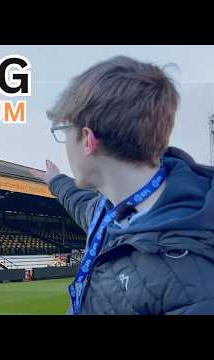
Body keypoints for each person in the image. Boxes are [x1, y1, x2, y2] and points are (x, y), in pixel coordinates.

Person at [30, 55, 214, 315]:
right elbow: (81, 203)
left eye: (65, 132)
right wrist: (55, 180)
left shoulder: (195, 279)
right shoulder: (111, 207)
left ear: (87, 140)